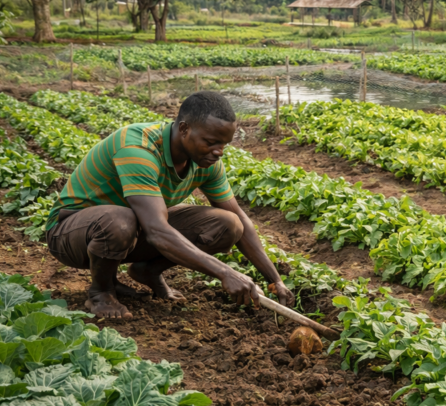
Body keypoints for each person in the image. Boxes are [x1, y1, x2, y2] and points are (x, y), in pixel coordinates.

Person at [45, 91, 294, 319]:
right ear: (184, 129)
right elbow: (156, 230)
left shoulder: (205, 162)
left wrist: (275, 280)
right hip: (70, 233)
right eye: (210, 142)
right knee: (121, 221)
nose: (219, 152)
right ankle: (101, 292)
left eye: (223, 145)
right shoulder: (138, 147)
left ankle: (147, 271)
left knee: (229, 224)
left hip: (131, 230)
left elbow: (238, 216)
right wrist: (225, 272)